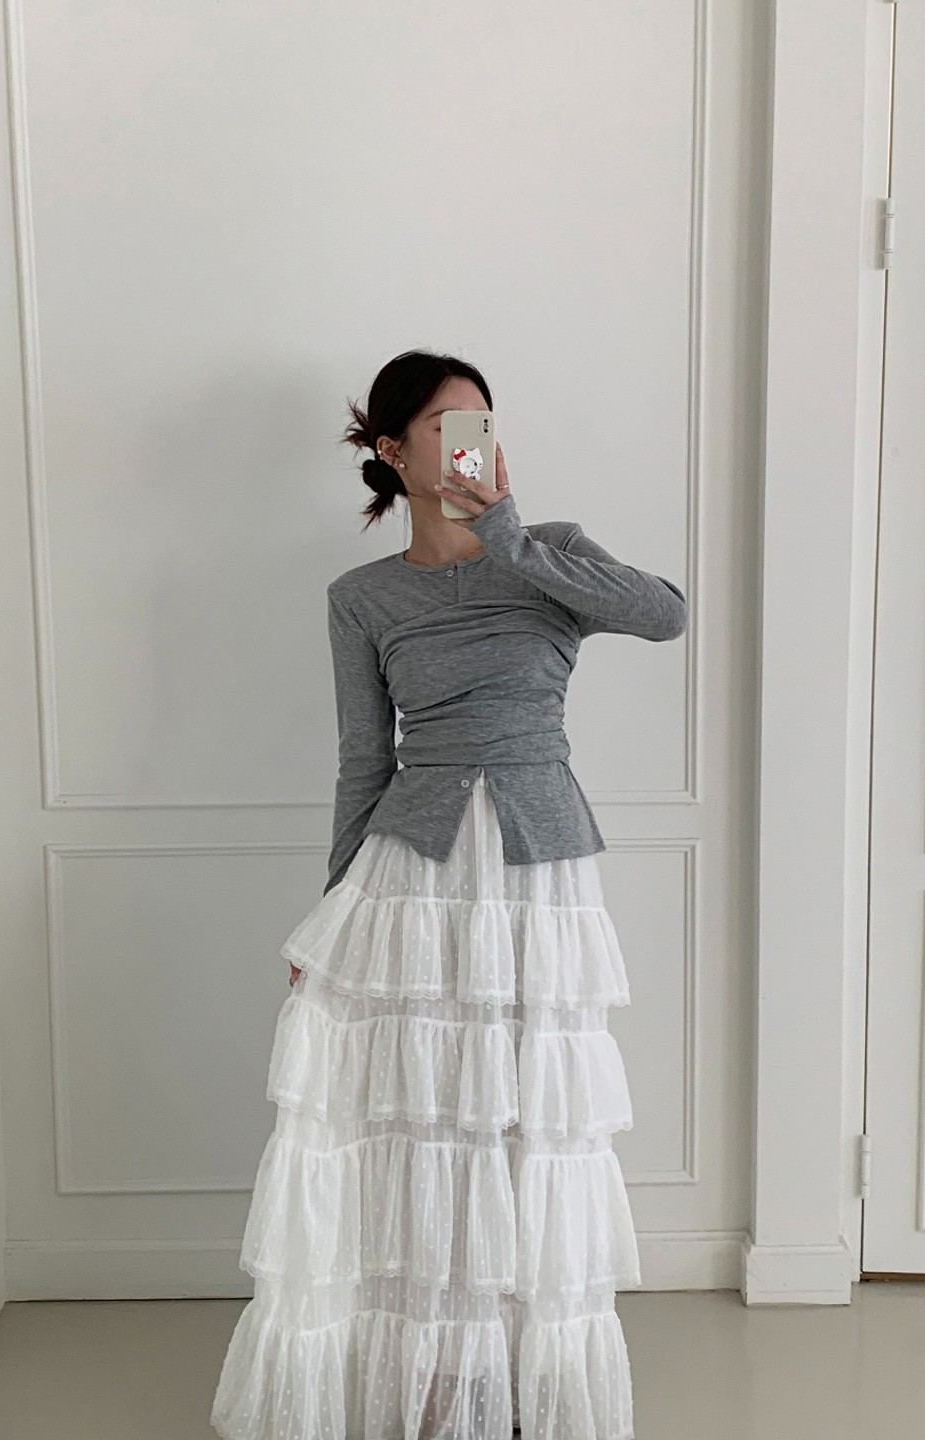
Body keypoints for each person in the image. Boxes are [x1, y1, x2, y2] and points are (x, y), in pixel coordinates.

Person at [211, 349, 688, 1440]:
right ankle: (429, 1385)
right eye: (445, 424)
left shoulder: (552, 554)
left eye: (483, 420)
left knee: (522, 1122)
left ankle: (511, 1381)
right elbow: (361, 761)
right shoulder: (362, 598)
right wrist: (333, 917)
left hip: (537, 872)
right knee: (416, 1120)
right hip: (411, 875)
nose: (473, 439)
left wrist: (509, 533)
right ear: (392, 451)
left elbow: (664, 615)